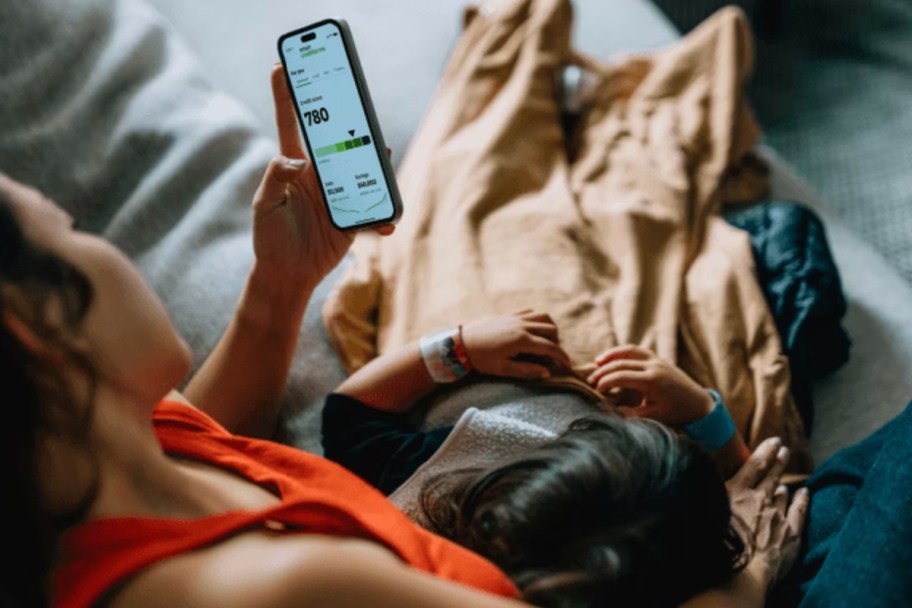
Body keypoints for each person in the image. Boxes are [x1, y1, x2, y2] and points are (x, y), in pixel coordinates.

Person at [0, 64, 807, 608]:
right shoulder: (291, 587)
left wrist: (282, 287)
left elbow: (209, 438)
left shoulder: (93, 456)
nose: (97, 240)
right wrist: (746, 574)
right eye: (69, 229)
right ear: (31, 329)